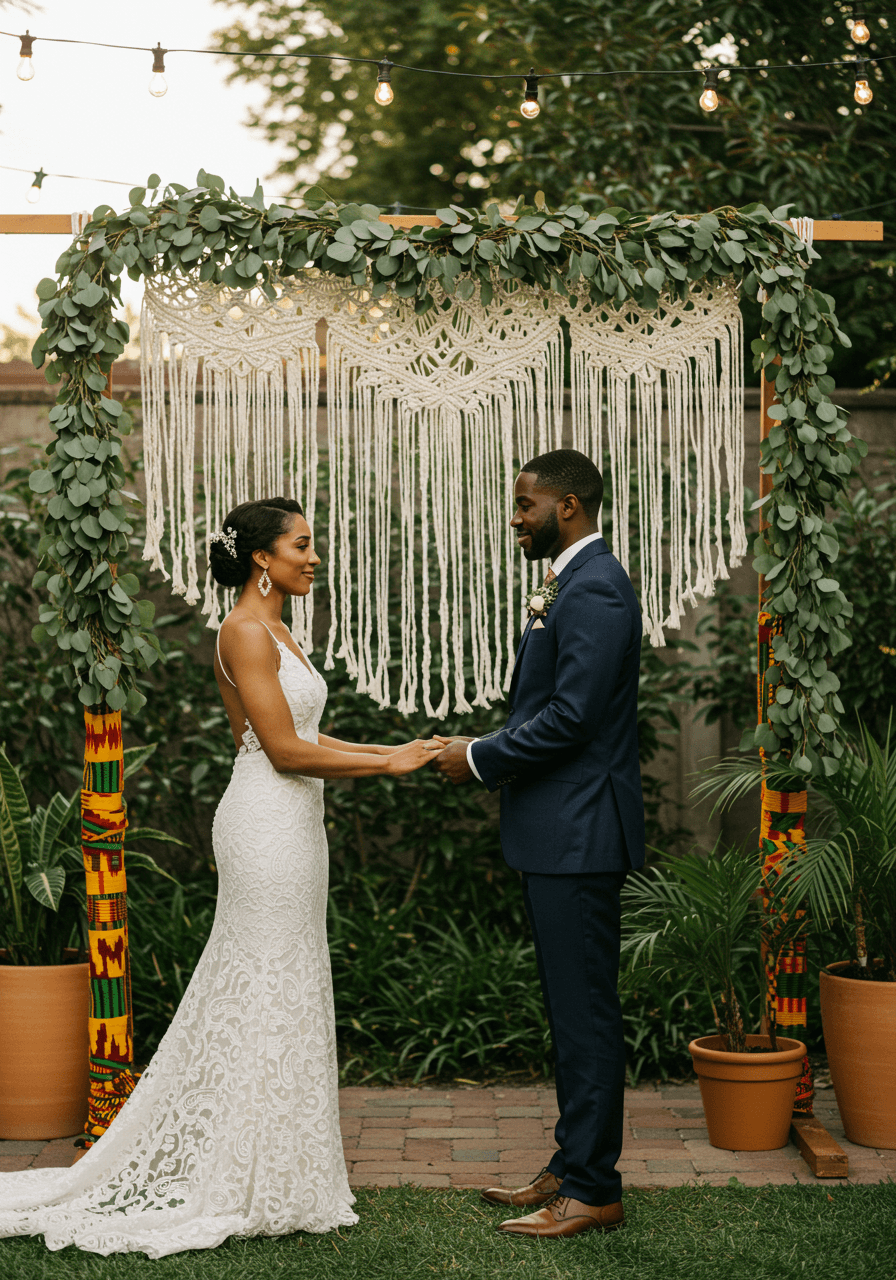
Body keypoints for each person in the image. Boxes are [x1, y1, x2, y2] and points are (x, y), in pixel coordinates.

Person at [0, 497, 443, 1258]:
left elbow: (306, 733)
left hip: (295, 822)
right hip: (266, 824)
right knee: (264, 980)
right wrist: (389, 766)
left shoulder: (276, 628)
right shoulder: (242, 630)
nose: (313, 556)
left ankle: (277, 1167)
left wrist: (389, 752)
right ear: (262, 559)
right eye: (302, 545)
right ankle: (244, 1173)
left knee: (287, 981)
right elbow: (282, 751)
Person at [433, 449, 644, 1241]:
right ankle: (571, 1163)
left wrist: (479, 758)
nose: (515, 518)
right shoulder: (573, 582)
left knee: (586, 1014)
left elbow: (574, 720)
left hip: (581, 834)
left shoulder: (595, 590)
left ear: (570, 506)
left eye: (526, 505)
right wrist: (479, 739)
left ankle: (593, 1190)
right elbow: (549, 706)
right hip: (560, 833)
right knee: (571, 1010)